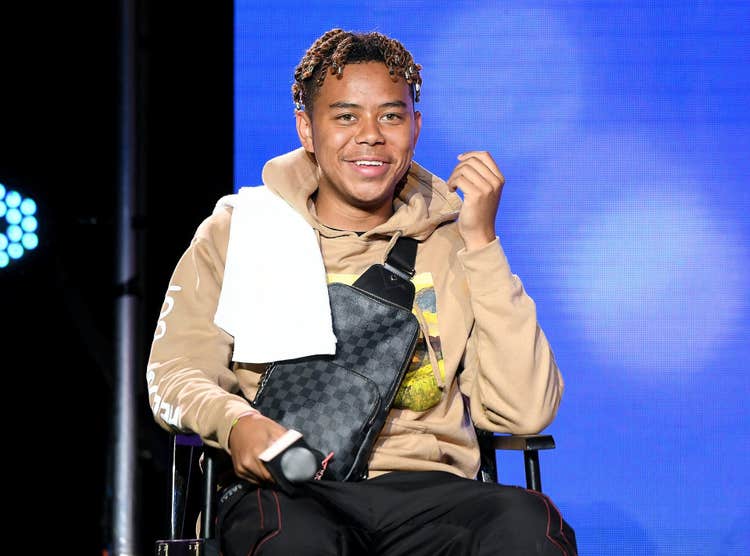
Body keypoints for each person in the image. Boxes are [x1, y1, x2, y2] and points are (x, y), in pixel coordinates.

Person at [147, 28, 578, 555]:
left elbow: (526, 413)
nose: (370, 135)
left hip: (430, 491)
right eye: (346, 116)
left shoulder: (454, 243)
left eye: (391, 116)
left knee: (530, 525)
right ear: (307, 129)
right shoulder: (240, 229)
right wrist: (236, 424)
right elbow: (176, 372)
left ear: (416, 127)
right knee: (292, 541)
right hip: (292, 487)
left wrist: (482, 243)